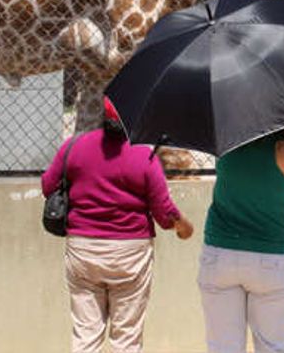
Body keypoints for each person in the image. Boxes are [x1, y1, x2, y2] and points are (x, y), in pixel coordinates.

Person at [41, 97, 194, 353]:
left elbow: (48, 186)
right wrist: (182, 225)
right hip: (130, 253)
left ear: (103, 116)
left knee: (86, 334)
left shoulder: (74, 146)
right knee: (126, 337)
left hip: (83, 249)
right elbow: (164, 212)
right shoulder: (144, 157)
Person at [198, 127, 284, 353]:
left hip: (220, 253)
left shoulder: (225, 145)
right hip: (272, 258)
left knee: (222, 347)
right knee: (274, 347)